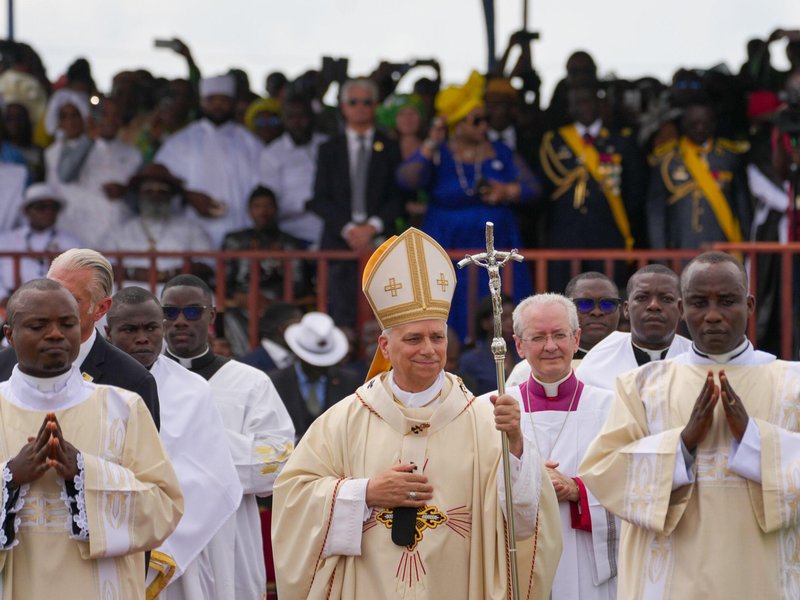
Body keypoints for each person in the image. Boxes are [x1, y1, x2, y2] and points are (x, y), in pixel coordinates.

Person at [272, 227, 561, 600]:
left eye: (437, 337)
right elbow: (292, 500)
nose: (428, 349)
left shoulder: (483, 421)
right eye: (413, 338)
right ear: (385, 346)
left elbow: (525, 523)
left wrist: (517, 446)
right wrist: (365, 492)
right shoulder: (344, 421)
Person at [579, 251, 798, 598]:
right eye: (699, 302)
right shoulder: (642, 386)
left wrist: (754, 438)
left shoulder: (793, 384)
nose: (713, 315)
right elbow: (602, 470)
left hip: (762, 574)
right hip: (672, 578)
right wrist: (681, 445)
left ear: (750, 305)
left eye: (727, 301)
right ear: (682, 309)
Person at [0, 278, 182, 597]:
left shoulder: (123, 407)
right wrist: (10, 477)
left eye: (67, 323)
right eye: (38, 325)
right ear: (10, 335)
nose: (55, 334)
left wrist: (84, 471)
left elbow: (165, 508)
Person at [161, 274, 295, 599]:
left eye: (192, 312)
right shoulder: (145, 380)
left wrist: (186, 446)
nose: (181, 321)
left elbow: (278, 463)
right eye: (170, 312)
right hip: (166, 532)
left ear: (211, 316)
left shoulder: (250, 382)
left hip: (231, 534)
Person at [105, 287, 242, 599]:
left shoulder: (194, 390)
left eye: (151, 328)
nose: (143, 338)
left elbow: (213, 477)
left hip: (176, 541)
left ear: (163, 329)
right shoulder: (90, 384)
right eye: (130, 330)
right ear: (108, 333)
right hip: (107, 531)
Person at [481, 293, 618, 599]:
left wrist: (577, 490)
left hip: (587, 562)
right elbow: (476, 493)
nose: (551, 346)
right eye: (538, 337)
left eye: (559, 335)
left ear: (576, 338)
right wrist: (528, 475)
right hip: (518, 560)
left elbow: (632, 489)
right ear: (518, 345)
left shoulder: (612, 407)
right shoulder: (489, 408)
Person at [397, 71, 537, 340]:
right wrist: (432, 141)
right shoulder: (439, 152)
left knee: (500, 311)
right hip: (448, 245)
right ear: (458, 123)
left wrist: (507, 190)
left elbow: (533, 188)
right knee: (450, 309)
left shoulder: (499, 150)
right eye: (476, 120)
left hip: (496, 246)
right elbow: (407, 179)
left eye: (485, 119)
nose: (484, 126)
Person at [0, 248, 161, 427]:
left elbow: (143, 454)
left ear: (101, 308)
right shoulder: (3, 365)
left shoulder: (133, 381)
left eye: (71, 299)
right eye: (52, 290)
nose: (56, 304)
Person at [308, 77, 404, 327]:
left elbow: (398, 197)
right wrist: (350, 229)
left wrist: (372, 227)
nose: (360, 107)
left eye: (366, 102)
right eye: (353, 102)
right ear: (342, 106)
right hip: (339, 243)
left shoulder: (391, 146)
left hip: (381, 241)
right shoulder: (329, 148)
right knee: (340, 315)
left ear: (375, 106)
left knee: (384, 315)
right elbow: (319, 199)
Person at [538, 81, 646, 291]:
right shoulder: (554, 141)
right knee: (564, 298)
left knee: (607, 296)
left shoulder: (621, 140)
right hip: (566, 235)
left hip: (608, 233)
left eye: (587, 102)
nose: (583, 107)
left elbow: (635, 190)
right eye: (577, 103)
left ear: (599, 104)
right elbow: (546, 189)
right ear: (569, 108)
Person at [155, 74, 264, 247]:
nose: (218, 105)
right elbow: (159, 177)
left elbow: (263, 189)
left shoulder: (250, 143)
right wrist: (188, 195)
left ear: (233, 102)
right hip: (191, 233)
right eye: (211, 99)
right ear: (201, 102)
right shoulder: (181, 141)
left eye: (224, 99)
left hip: (239, 231)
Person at [647, 97, 751, 248]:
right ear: (683, 124)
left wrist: (746, 248)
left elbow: (743, 207)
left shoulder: (729, 157)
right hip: (681, 249)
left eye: (705, 123)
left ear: (714, 123)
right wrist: (660, 257)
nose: (700, 128)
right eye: (694, 124)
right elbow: (656, 214)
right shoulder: (667, 160)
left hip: (723, 249)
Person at [576, 264, 692, 390]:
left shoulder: (697, 361)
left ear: (681, 309)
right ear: (626, 309)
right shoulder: (596, 362)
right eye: (642, 298)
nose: (654, 305)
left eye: (666, 299)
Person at [101, 162, 213, 286]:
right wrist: (134, 273)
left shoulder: (192, 230)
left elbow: (207, 266)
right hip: (129, 297)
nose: (155, 196)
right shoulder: (119, 231)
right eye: (148, 191)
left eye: (162, 191)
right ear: (139, 195)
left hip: (178, 295)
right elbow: (103, 269)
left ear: (171, 196)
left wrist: (172, 275)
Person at [506, 271, 621, 386]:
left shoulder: (635, 365)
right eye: (584, 304)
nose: (597, 312)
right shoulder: (526, 372)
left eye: (607, 304)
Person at [270, 311, 361, 439]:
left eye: (325, 362)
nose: (319, 367)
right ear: (299, 355)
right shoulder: (275, 382)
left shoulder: (349, 381)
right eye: (312, 362)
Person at [258, 96, 328, 248]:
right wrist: (304, 205)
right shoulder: (272, 154)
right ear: (283, 119)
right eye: (291, 117)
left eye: (302, 116)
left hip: (332, 235)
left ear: (311, 117)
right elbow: (269, 205)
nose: (297, 122)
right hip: (292, 238)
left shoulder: (328, 145)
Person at [0, 183, 81, 303]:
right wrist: (3, 298)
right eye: (41, 207)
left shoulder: (72, 243)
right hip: (11, 305)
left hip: (57, 306)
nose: (48, 212)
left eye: (53, 208)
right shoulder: (5, 241)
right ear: (27, 211)